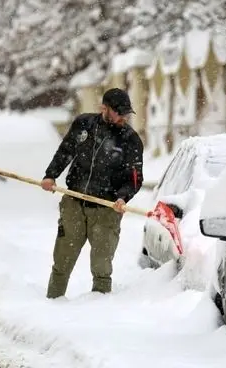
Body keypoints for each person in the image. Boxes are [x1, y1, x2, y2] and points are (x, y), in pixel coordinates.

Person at [41, 88, 144, 299]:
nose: (123, 117)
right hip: (74, 203)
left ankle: (99, 316)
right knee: (62, 260)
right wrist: (51, 175)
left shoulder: (130, 140)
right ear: (104, 108)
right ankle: (51, 305)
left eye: (126, 112)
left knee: (101, 267)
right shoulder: (84, 124)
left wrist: (123, 197)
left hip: (106, 210)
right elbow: (65, 151)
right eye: (119, 112)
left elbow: (135, 178)